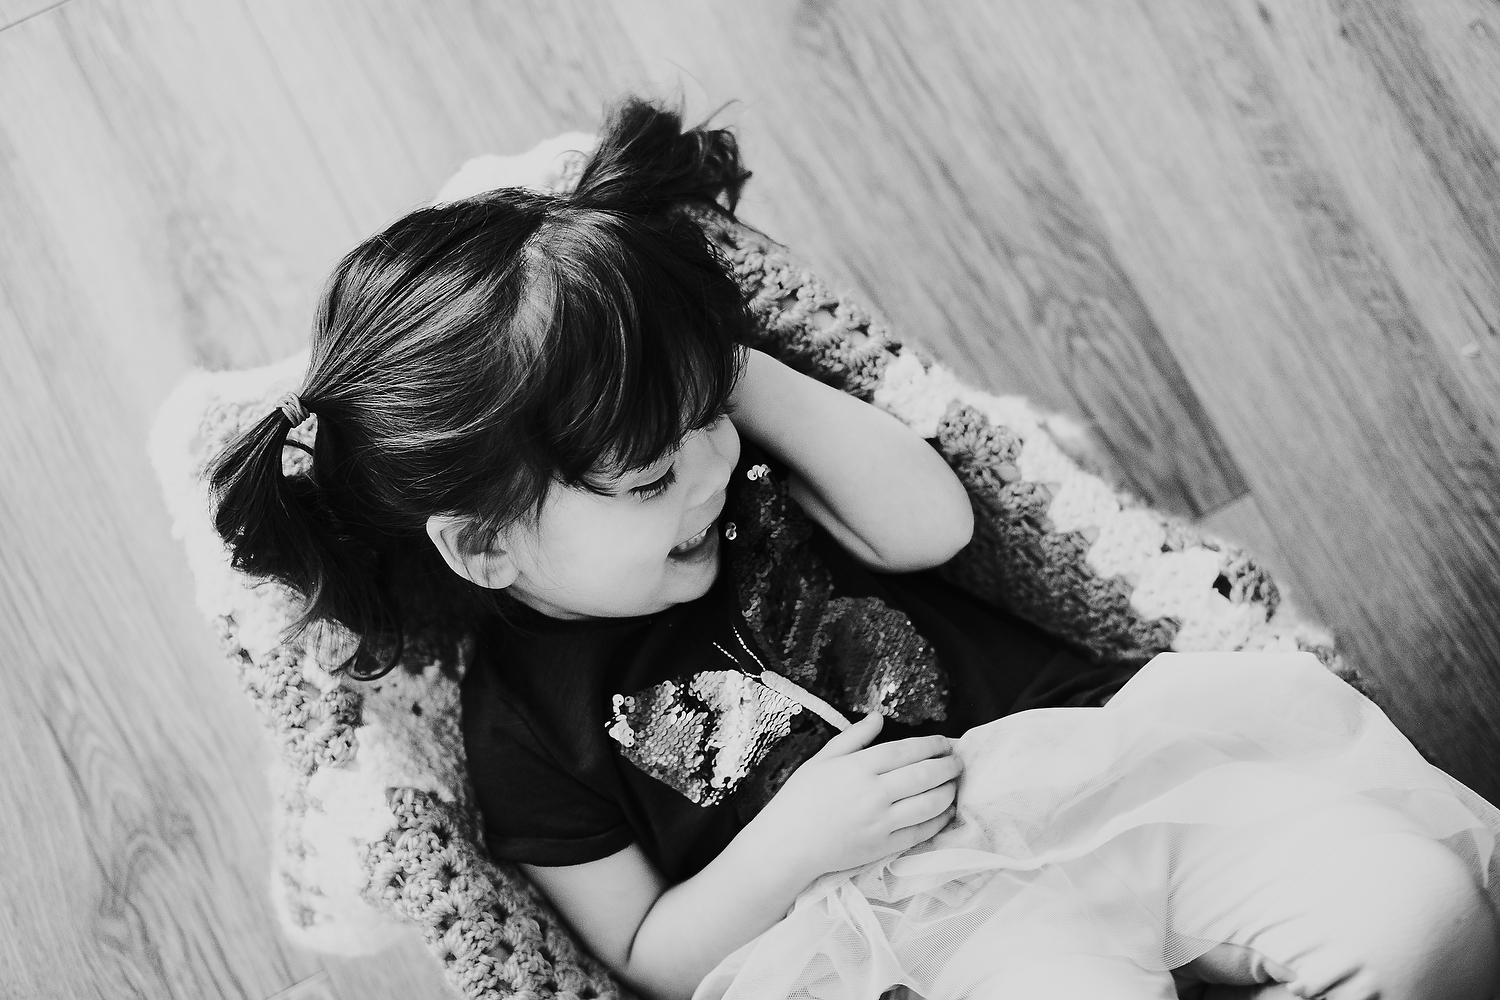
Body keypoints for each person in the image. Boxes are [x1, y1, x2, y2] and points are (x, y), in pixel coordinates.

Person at [207, 97, 1500, 1000]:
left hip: (1109, 777)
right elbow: (645, 955)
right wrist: (789, 847)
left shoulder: (765, 485)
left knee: (1423, 916)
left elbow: (938, 526)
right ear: (485, 547)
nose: (709, 471)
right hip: (931, 931)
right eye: (656, 471)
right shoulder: (521, 725)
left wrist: (727, 381)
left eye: (710, 421)